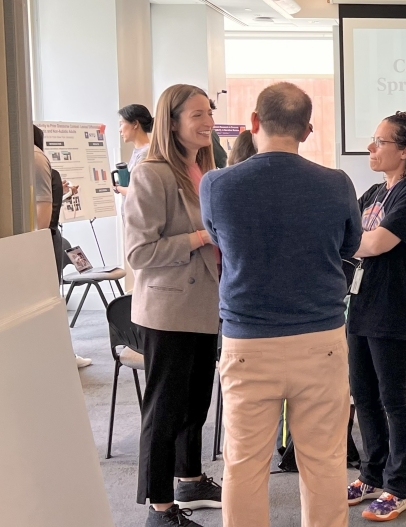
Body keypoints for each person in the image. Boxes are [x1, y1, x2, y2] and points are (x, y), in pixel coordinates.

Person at [200, 82, 361, 527]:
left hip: (247, 344)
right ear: (308, 130)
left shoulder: (217, 184)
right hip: (322, 339)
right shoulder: (337, 184)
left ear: (253, 124)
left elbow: (219, 239)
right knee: (325, 462)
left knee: (244, 465)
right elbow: (351, 244)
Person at [123, 84, 222, 527]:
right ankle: (160, 509)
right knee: (164, 410)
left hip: (205, 305)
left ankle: (189, 478)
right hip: (169, 311)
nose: (207, 122)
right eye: (197, 114)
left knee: (196, 402)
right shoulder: (152, 173)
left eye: (209, 112)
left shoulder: (203, 168)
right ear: (172, 121)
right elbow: (139, 253)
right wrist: (203, 237)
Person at [345, 112, 406, 522]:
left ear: (404, 150)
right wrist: (352, 243)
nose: (371, 148)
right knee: (363, 396)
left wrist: (352, 243)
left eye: (380, 142)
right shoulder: (373, 194)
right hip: (361, 305)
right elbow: (351, 241)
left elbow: (374, 242)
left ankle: (400, 485)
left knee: (392, 398)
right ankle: (372, 473)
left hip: (394, 306)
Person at [34, 126, 91, 368]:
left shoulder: (35, 161)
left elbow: (44, 215)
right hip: (50, 238)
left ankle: (62, 354)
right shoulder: (44, 165)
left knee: (48, 299)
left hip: (45, 240)